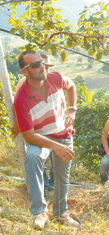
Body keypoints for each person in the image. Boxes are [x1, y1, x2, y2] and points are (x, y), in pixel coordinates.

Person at [14, 50, 79, 230]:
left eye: (41, 62)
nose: (42, 67)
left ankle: (60, 214)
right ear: (25, 71)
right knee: (32, 157)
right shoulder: (21, 99)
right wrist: (55, 146)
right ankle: (39, 212)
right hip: (40, 136)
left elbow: (71, 86)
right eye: (35, 65)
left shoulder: (55, 78)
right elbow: (28, 135)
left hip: (63, 133)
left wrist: (72, 109)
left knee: (62, 176)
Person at [12, 54, 56, 197]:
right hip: (34, 129)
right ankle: (43, 186)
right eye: (39, 66)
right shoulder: (23, 84)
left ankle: (52, 185)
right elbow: (18, 106)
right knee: (35, 156)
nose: (45, 69)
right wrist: (18, 125)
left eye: (46, 66)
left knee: (56, 156)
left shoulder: (52, 82)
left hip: (54, 128)